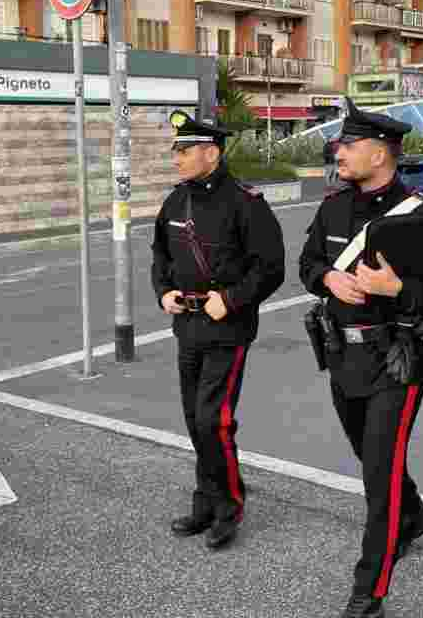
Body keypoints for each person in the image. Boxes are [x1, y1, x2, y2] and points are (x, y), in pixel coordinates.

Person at [298, 99, 423, 618]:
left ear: (380, 152)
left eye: (348, 144)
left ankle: (368, 591)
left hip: (397, 358)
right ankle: (411, 516)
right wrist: (327, 278)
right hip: (341, 355)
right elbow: (307, 263)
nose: (339, 150)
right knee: (374, 460)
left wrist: (398, 288)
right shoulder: (333, 207)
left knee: (379, 475)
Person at [151, 111, 286, 551]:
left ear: (211, 153)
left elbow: (271, 269)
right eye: (177, 150)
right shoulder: (176, 202)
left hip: (228, 329)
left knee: (214, 420)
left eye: (184, 150)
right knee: (196, 420)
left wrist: (228, 300)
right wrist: (164, 291)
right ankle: (205, 502)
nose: (177, 158)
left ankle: (229, 506)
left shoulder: (247, 203)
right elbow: (161, 256)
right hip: (187, 326)